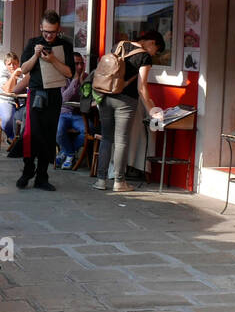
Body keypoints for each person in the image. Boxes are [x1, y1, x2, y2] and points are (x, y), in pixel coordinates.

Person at [95, 30, 164, 192]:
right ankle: (119, 182)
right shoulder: (144, 57)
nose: (155, 54)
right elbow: (142, 87)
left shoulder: (119, 45)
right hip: (126, 101)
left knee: (106, 139)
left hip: (105, 96)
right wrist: (151, 111)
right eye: (157, 50)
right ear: (152, 42)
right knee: (121, 141)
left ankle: (100, 180)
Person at [16, 12, 76, 191]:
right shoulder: (33, 43)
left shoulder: (65, 45)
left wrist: (52, 59)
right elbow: (23, 69)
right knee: (31, 135)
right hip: (36, 93)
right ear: (41, 28)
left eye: (53, 32)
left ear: (59, 30)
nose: (49, 35)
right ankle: (28, 170)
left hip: (54, 94)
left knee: (49, 136)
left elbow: (69, 73)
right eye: (46, 32)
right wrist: (35, 56)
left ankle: (42, 176)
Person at [56, 52, 89, 170]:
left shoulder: (86, 77)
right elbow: (64, 98)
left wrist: (82, 82)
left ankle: (66, 152)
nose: (79, 67)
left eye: (81, 63)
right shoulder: (62, 77)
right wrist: (75, 80)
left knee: (88, 131)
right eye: (76, 64)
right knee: (58, 130)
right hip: (64, 113)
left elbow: (87, 96)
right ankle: (70, 154)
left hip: (79, 114)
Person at [0, 52, 25, 146]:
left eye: (14, 63)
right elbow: (8, 89)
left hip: (20, 103)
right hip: (4, 101)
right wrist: (14, 75)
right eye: (9, 64)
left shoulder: (23, 73)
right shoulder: (3, 74)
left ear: (18, 63)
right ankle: (11, 137)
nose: (12, 66)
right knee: (7, 118)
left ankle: (21, 141)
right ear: (5, 65)